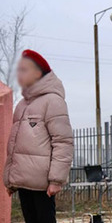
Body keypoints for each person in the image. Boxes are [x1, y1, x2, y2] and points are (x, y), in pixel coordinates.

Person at [3, 49, 73, 223]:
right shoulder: (21, 105)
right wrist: (11, 179)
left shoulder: (53, 101)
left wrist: (56, 180)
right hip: (24, 181)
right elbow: (15, 144)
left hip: (43, 184)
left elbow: (63, 142)